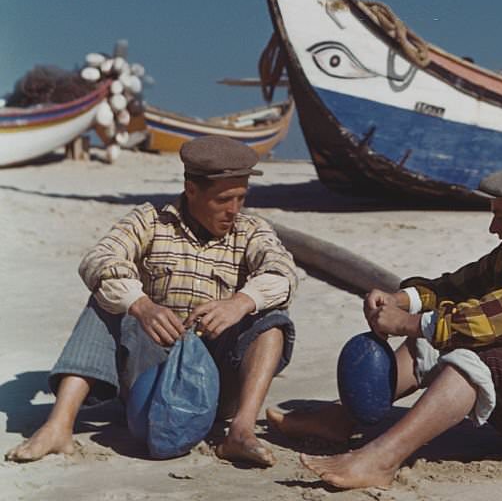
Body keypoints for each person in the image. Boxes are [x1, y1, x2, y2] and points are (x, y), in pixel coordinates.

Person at [268, 163, 502, 489]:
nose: (493, 228)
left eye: (500, 217)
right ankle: (341, 418)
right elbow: (453, 286)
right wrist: (401, 301)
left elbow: (483, 323)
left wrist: (408, 323)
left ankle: (380, 460)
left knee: (480, 351)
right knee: (438, 332)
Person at [6, 135, 297, 468]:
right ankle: (58, 426)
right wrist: (141, 305)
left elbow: (283, 272)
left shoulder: (251, 230)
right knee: (107, 299)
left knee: (272, 316)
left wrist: (241, 302)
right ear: (192, 190)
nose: (234, 210)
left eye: (241, 198)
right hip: (149, 378)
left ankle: (241, 432)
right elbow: (98, 259)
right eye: (223, 199)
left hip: (217, 383)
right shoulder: (149, 221)